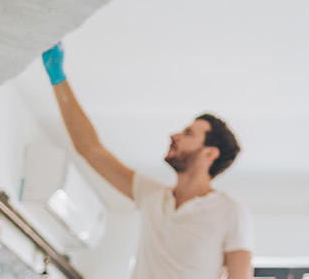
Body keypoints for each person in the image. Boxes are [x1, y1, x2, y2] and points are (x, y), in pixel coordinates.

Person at [40, 44, 254, 279]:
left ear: (209, 154)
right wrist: (58, 77)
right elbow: (90, 149)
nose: (174, 135)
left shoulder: (229, 211)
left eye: (188, 134)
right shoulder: (152, 194)